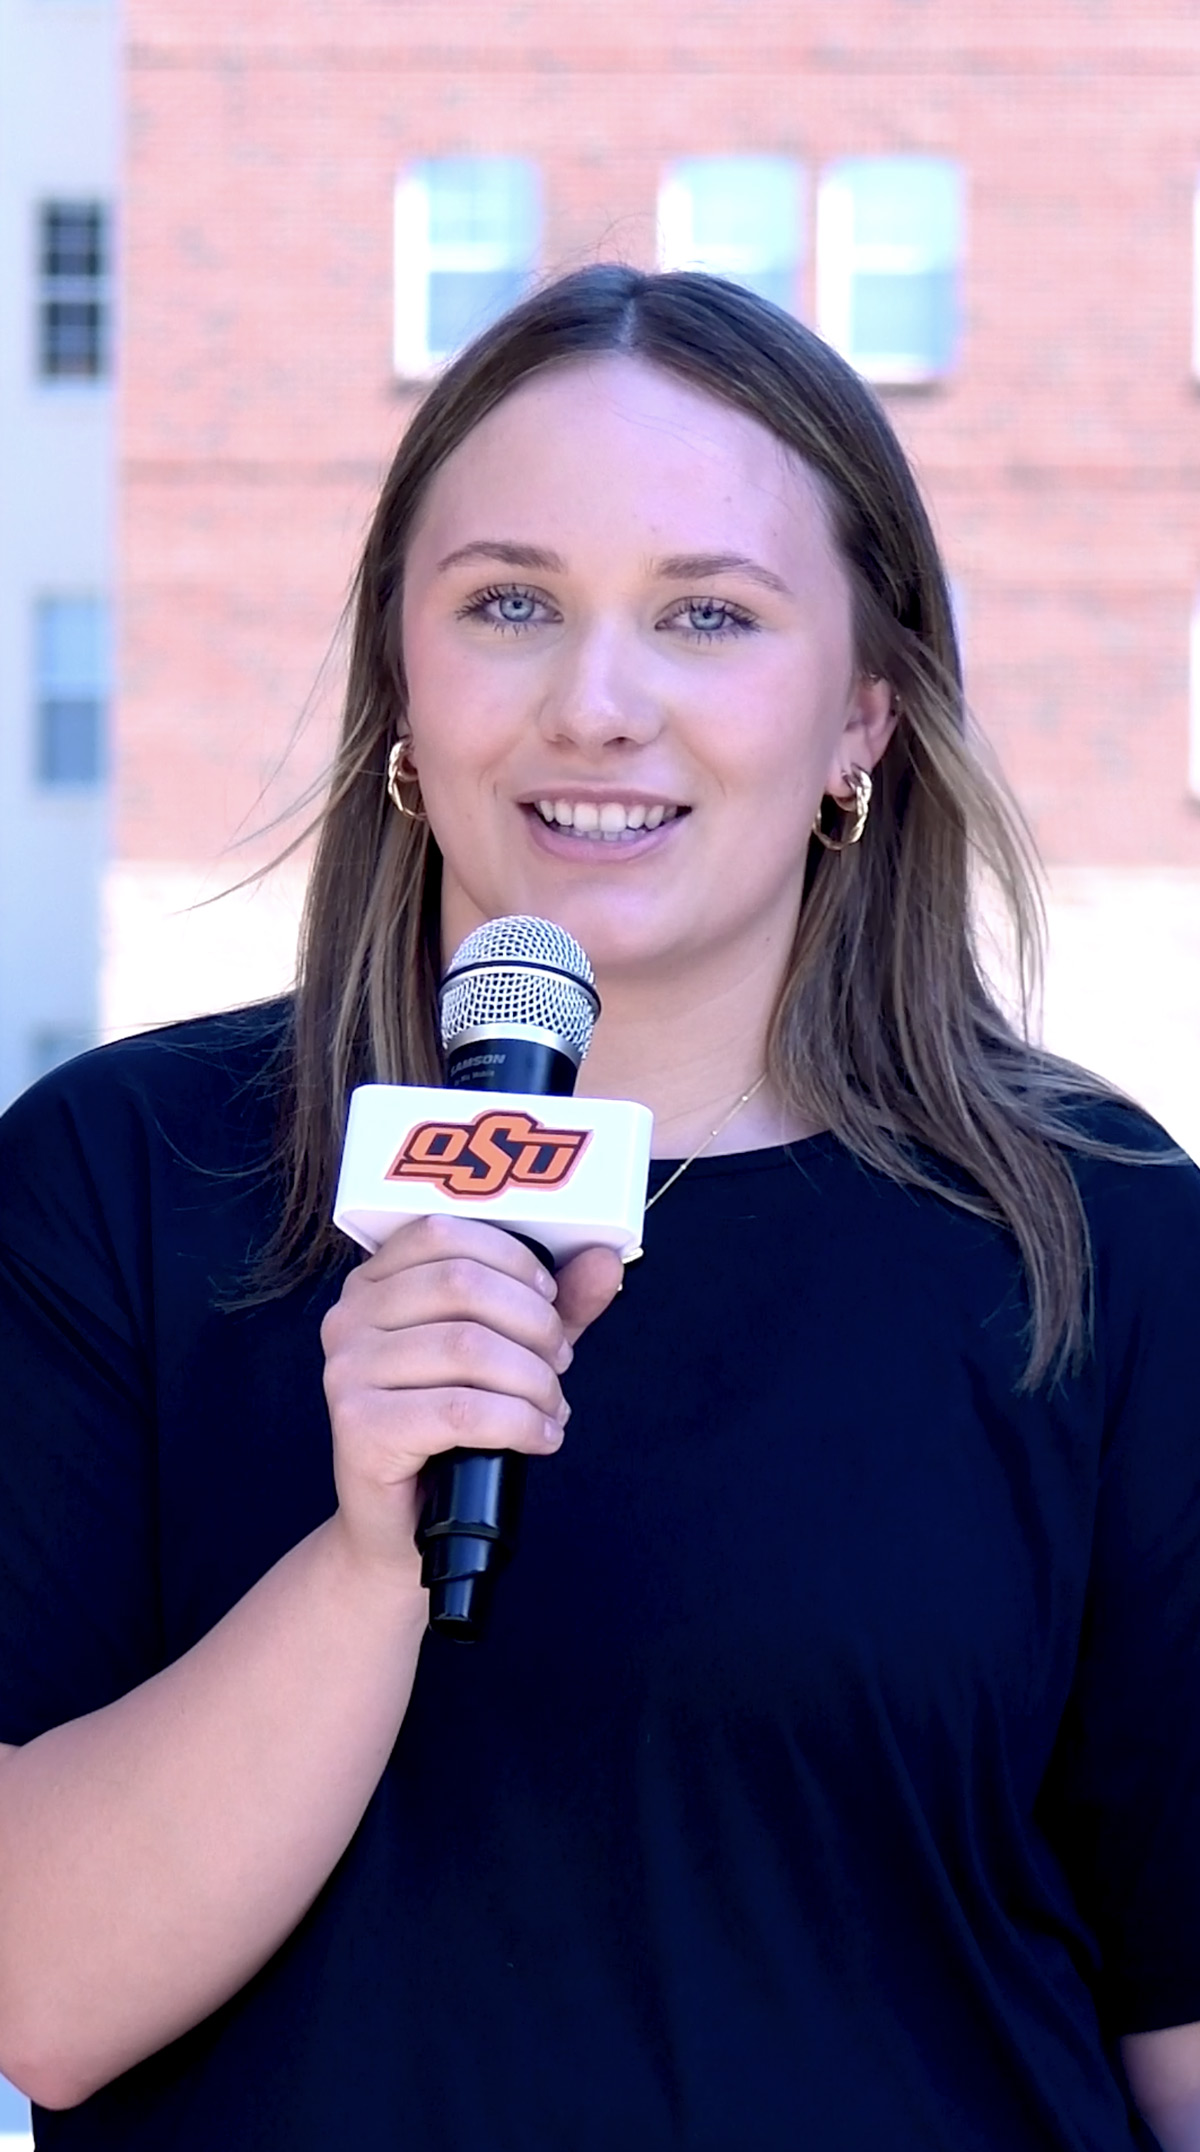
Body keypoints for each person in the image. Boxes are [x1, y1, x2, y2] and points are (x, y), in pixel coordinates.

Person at [0, 264, 1198, 2152]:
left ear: (864, 719)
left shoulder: (1101, 1239)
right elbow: (39, 2002)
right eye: (510, 605)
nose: (599, 704)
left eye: (708, 615)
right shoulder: (120, 1180)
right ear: (404, 678)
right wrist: (361, 1565)